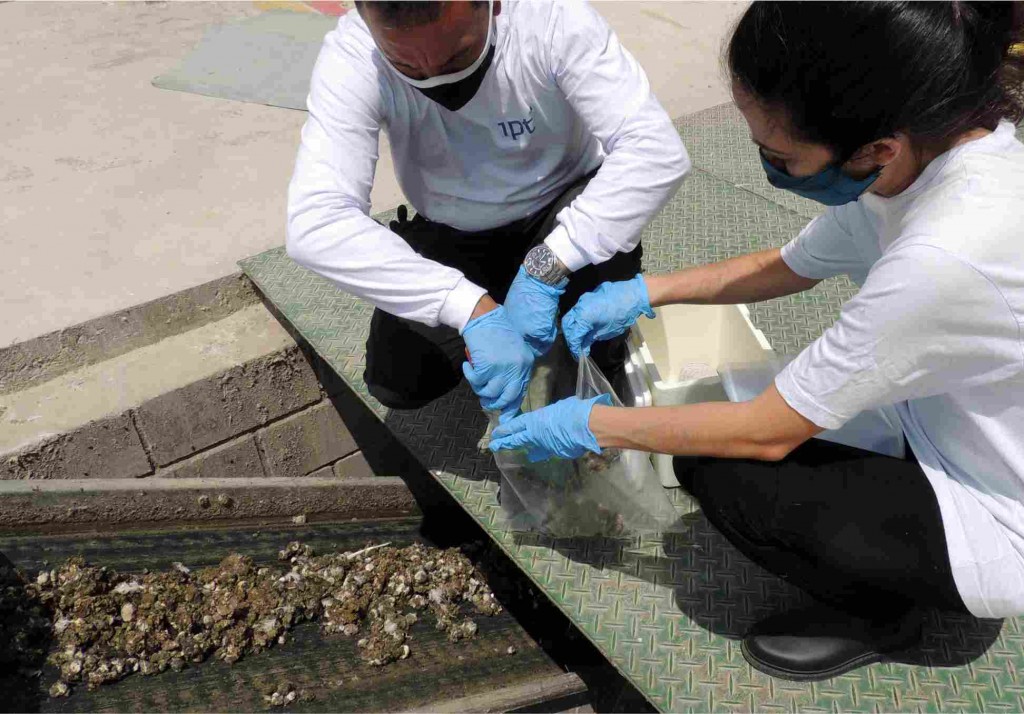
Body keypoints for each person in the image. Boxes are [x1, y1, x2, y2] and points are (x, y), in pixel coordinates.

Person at [491, 1, 1024, 681]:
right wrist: (642, 292)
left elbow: (762, 433)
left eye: (779, 156)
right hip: (949, 427)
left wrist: (587, 423)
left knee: (726, 473)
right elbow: (788, 266)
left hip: (999, 511)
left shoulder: (948, 254)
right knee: (726, 412)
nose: (767, 167)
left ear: (873, 149)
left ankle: (888, 613)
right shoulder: (924, 153)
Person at [286, 0, 689, 419]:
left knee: (589, 348)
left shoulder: (552, 16)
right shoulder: (354, 53)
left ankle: (556, 322)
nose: (437, 78)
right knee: (399, 381)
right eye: (407, 66)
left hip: (559, 210)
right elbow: (315, 221)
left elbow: (656, 151)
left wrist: (547, 267)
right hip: (453, 227)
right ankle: (494, 317)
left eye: (457, 56)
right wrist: (467, 307)